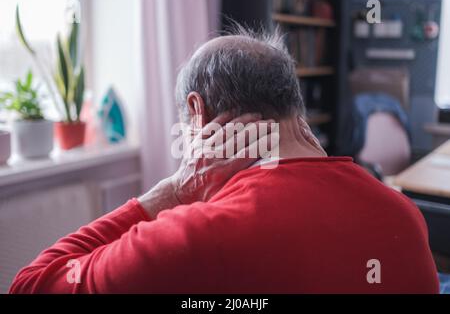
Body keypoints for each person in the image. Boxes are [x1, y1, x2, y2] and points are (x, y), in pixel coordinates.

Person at [10, 26, 439, 294]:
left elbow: (30, 285)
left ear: (197, 115)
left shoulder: (193, 237)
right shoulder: (403, 214)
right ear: (294, 108)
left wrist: (173, 192)